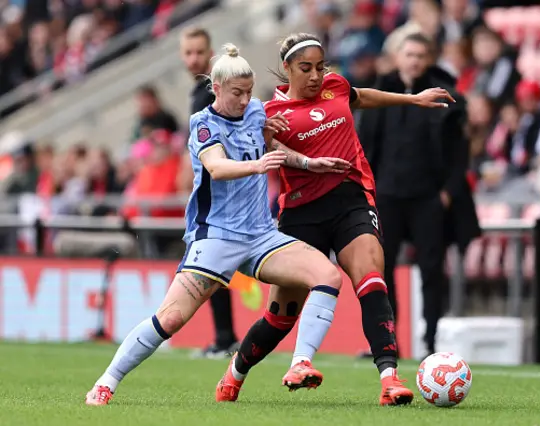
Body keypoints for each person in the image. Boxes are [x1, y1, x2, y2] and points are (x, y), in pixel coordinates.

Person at [85, 43, 345, 406]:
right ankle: (105, 382)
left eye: (249, 92)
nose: (244, 100)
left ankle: (300, 364)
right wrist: (258, 165)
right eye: (237, 93)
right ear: (217, 89)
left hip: (261, 234)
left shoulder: (256, 112)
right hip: (217, 237)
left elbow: (270, 151)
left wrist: (305, 162)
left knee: (328, 276)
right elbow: (217, 168)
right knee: (171, 319)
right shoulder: (203, 124)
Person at [217, 32, 454, 406]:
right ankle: (234, 374)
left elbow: (362, 96)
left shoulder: (336, 86)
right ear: (287, 69)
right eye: (305, 68)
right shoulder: (267, 114)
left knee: (372, 279)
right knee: (281, 316)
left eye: (320, 67)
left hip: (351, 200)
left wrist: (412, 99)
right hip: (301, 213)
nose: (315, 76)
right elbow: (271, 149)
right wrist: (291, 151)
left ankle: (390, 379)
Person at [359, 33, 481, 357]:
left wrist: (447, 193)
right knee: (381, 271)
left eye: (420, 55)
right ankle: (387, 341)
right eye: (409, 54)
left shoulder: (446, 97)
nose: (414, 60)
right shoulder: (378, 94)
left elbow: (459, 153)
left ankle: (430, 341)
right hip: (387, 195)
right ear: (398, 57)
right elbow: (365, 146)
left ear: (428, 59)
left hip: (429, 198)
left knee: (431, 270)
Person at [180, 26, 239, 359]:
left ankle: (225, 337)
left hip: (222, 192)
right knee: (211, 266)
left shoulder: (213, 90)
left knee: (209, 264)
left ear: (211, 51)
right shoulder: (199, 91)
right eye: (188, 52)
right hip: (214, 190)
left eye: (199, 52)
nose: (194, 59)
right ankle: (225, 336)